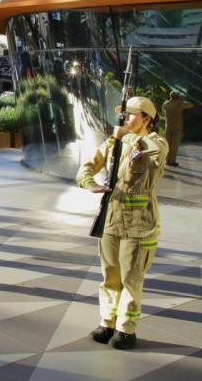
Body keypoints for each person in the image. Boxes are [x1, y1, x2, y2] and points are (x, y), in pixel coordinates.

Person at [77, 96, 167, 350]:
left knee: (131, 277)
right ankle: (108, 322)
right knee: (110, 275)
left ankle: (126, 329)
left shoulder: (156, 142)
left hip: (139, 222)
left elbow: (153, 154)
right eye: (124, 115)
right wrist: (89, 182)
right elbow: (88, 164)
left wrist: (124, 137)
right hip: (111, 217)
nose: (125, 119)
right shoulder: (114, 142)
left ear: (146, 119)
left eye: (131, 114)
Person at [161, 92, 192, 167]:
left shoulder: (166, 104)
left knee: (167, 144)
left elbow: (163, 113)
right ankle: (172, 160)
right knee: (175, 144)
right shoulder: (179, 104)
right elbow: (190, 105)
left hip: (168, 127)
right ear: (177, 97)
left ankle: (167, 159)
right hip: (177, 127)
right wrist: (182, 101)